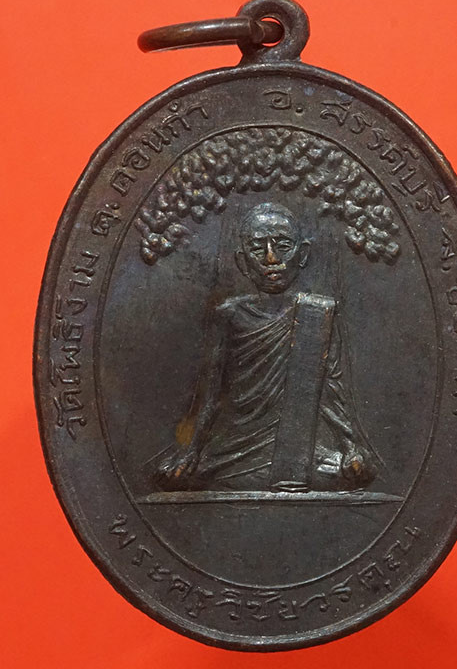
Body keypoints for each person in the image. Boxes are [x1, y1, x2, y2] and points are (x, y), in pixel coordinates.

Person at [156, 202, 377, 492]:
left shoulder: (317, 313)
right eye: (258, 248)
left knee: (353, 473)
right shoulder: (229, 315)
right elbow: (211, 395)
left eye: (283, 246)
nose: (271, 258)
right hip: (236, 446)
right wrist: (191, 452)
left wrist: (350, 448)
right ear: (242, 262)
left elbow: (330, 392)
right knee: (181, 477)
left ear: (302, 254)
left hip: (300, 445)